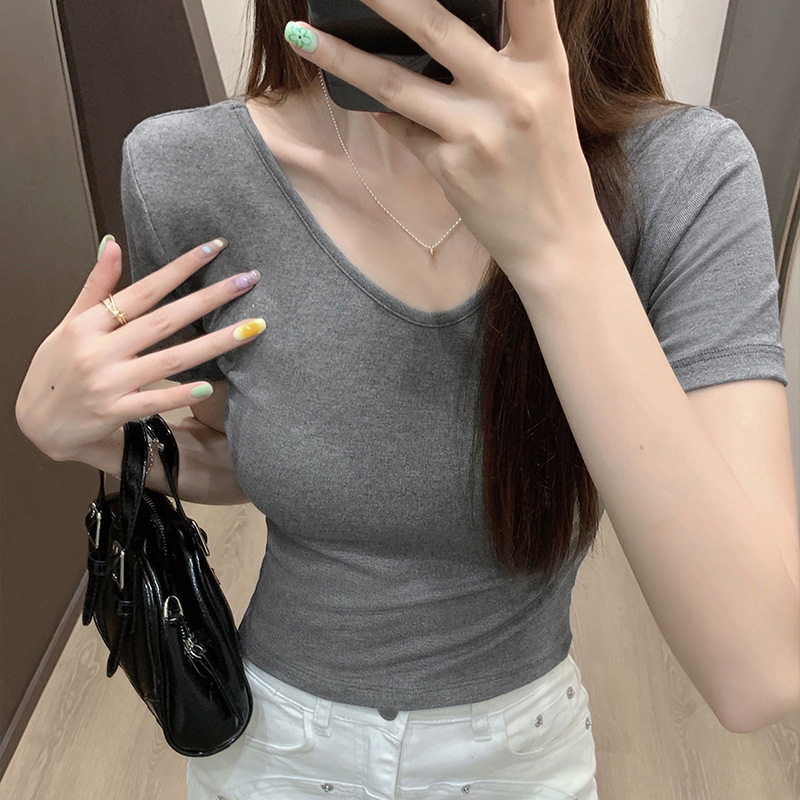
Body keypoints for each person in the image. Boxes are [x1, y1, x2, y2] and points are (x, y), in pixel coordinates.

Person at [16, 1, 799, 798]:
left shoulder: (683, 174)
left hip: (521, 762)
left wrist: (558, 242)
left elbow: (757, 671)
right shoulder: (189, 170)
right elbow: (243, 453)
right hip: (272, 753)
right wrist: (83, 436)